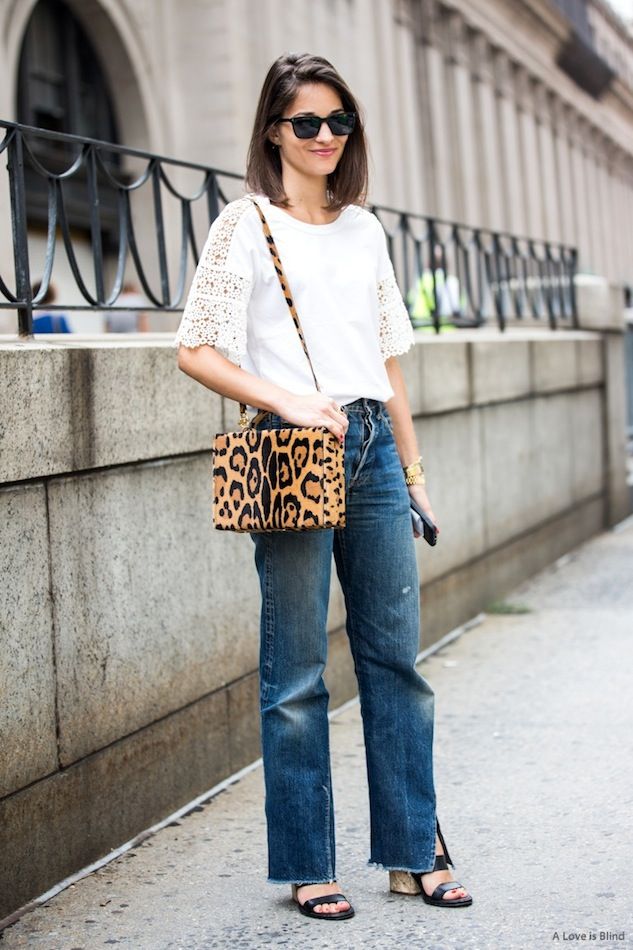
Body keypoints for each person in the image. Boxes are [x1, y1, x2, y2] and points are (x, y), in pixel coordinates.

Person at [175, 52, 472, 922]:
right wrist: (286, 400)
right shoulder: (244, 224)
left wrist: (412, 475)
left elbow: (387, 369)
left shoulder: (365, 230)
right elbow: (196, 349)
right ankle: (308, 863)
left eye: (338, 121)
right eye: (305, 122)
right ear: (274, 130)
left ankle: (413, 853)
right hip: (293, 453)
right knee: (296, 674)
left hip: (373, 451)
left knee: (395, 662)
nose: (324, 138)